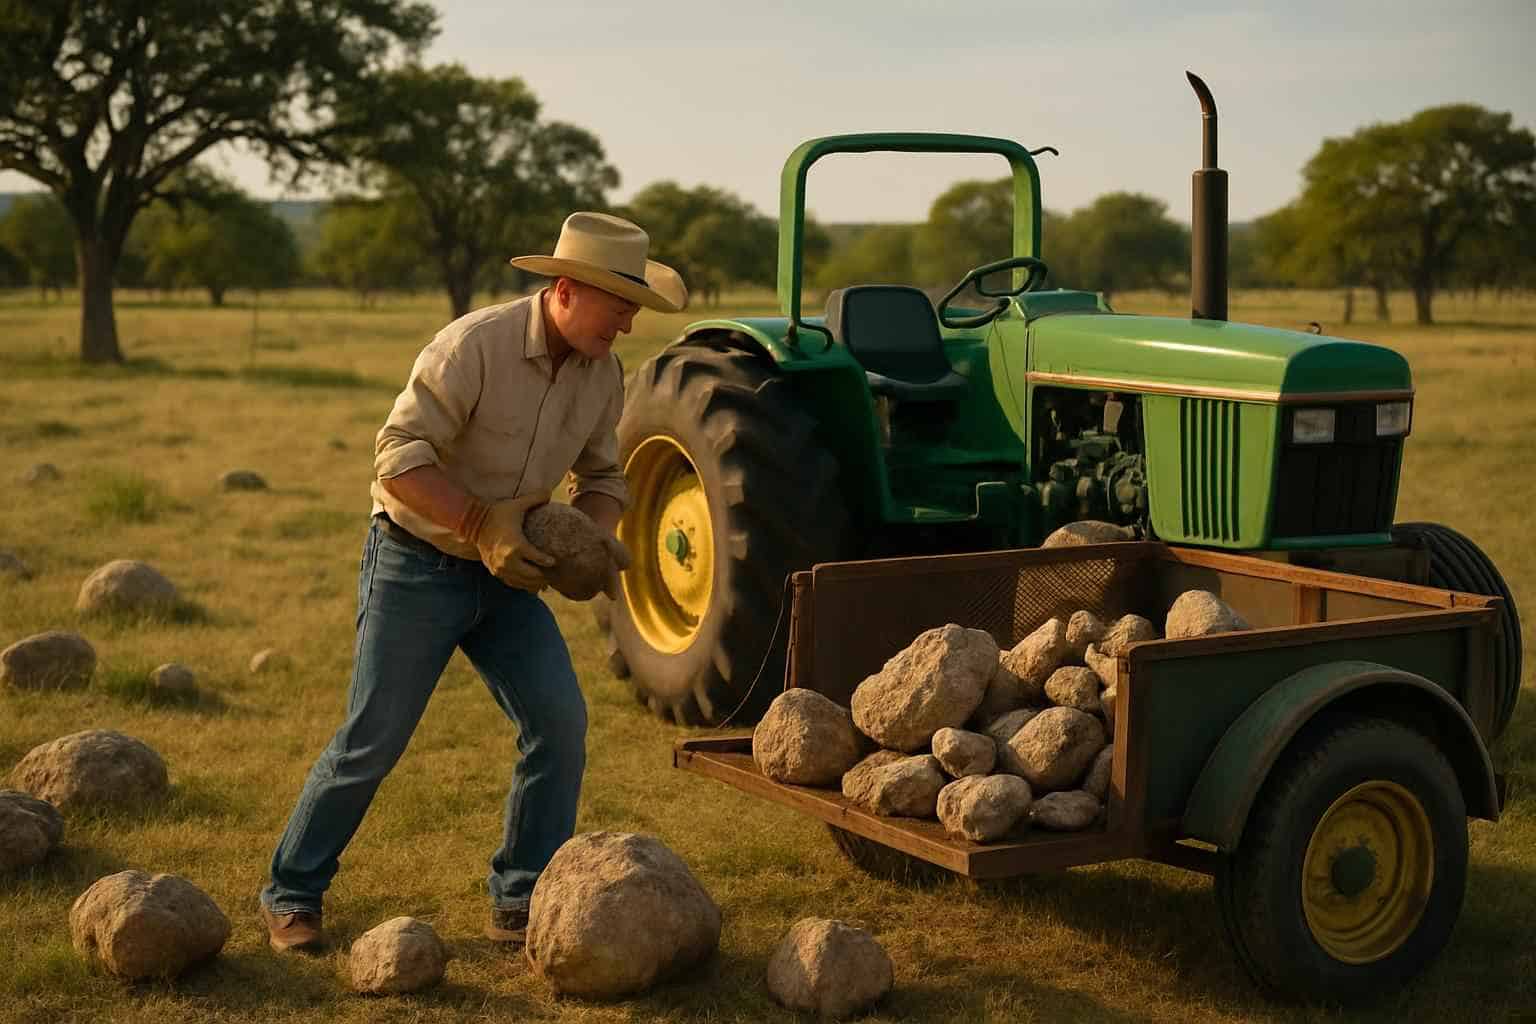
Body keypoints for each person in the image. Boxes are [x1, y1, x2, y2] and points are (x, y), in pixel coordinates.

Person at [258, 212, 687, 951]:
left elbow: (603, 475)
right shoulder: (472, 347)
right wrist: (483, 526)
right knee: (373, 739)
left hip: (509, 582)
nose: (626, 323)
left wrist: (586, 539)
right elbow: (397, 457)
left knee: (559, 726)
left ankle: (520, 898)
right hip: (416, 563)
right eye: (619, 303)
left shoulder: (602, 373)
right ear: (564, 289)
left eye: (634, 308)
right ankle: (292, 892)